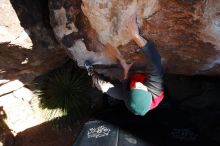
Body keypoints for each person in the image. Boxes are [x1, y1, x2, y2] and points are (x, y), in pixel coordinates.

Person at [82, 3, 164, 116]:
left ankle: (91, 72)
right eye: (139, 87)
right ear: (148, 91)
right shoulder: (155, 89)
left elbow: (127, 85)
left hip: (130, 93)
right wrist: (136, 36)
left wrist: (126, 72)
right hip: (143, 84)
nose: (136, 85)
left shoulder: (128, 98)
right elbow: (155, 60)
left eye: (134, 88)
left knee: (104, 87)